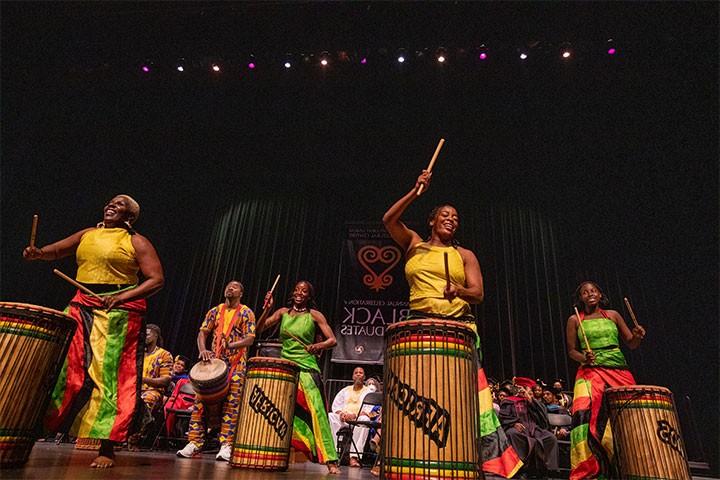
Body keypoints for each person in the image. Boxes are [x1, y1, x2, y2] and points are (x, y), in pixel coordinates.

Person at [383, 171, 522, 478]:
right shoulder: (414, 245)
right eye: (445, 215)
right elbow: (389, 220)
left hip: (456, 326)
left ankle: (478, 460)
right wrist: (415, 192)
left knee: (466, 398)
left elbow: (479, 294)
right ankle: (411, 454)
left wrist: (458, 291)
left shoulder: (464, 254)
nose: (451, 219)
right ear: (432, 221)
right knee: (417, 394)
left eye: (456, 217)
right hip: (419, 324)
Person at [23, 194, 164, 468]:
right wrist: (39, 254)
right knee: (64, 368)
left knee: (110, 377)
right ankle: (35, 428)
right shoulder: (89, 233)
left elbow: (156, 279)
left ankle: (107, 446)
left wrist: (122, 297)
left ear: (130, 217)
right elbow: (57, 250)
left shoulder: (136, 241)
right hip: (81, 305)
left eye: (120, 204)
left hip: (118, 313)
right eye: (110, 202)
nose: (112, 205)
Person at [257, 280, 340, 474]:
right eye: (296, 290)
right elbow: (258, 329)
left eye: (304, 291)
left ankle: (330, 460)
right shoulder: (282, 312)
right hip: (287, 369)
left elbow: (332, 340)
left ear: (309, 296)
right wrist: (267, 309)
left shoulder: (314, 315)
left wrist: (318, 346)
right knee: (281, 412)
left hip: (307, 369)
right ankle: (274, 453)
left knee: (317, 413)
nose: (299, 293)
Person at [566, 281, 646, 480]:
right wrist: (585, 358)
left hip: (618, 369)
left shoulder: (613, 315)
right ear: (581, 298)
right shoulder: (575, 319)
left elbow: (631, 344)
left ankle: (631, 464)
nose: (589, 294)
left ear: (600, 295)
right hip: (589, 372)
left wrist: (637, 337)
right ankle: (590, 470)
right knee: (586, 418)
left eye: (593, 291)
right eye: (585, 292)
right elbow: (571, 351)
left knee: (629, 414)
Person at [176, 280, 256, 462]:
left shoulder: (246, 312)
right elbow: (202, 333)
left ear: (241, 293)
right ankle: (195, 442)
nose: (230, 288)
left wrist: (232, 345)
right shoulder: (215, 311)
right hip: (213, 364)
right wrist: (202, 349)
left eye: (235, 287)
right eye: (228, 286)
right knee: (200, 402)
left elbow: (250, 339)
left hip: (236, 365)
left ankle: (226, 445)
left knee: (231, 404)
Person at [498, 377, 559, 476]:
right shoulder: (508, 401)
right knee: (512, 434)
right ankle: (519, 468)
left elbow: (542, 415)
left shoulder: (531, 401)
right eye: (521, 388)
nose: (523, 391)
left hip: (533, 428)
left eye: (526, 389)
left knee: (550, 438)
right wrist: (513, 423)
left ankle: (547, 470)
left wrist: (530, 399)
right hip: (518, 428)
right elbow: (503, 417)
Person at [128, 323, 173, 450]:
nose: (145, 337)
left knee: (145, 400)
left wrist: (143, 380)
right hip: (133, 390)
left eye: (148, 334)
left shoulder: (164, 355)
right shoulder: (138, 353)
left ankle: (134, 439)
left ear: (156, 336)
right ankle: (117, 438)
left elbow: (165, 380)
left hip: (153, 391)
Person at [329, 366, 373, 467]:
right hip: (344, 419)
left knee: (364, 419)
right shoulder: (345, 390)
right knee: (331, 416)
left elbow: (367, 410)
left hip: (356, 420)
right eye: (356, 373)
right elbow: (335, 406)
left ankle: (354, 457)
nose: (358, 374)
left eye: (360, 373)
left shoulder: (368, 392)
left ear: (364, 377)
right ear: (353, 377)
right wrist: (341, 414)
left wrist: (354, 415)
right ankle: (333, 454)